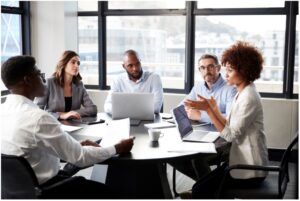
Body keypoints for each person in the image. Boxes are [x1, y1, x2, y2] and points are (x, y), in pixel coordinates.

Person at [1, 55, 135, 199]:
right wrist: (118, 148)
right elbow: (81, 157)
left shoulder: (2, 110)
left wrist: (72, 145)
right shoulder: (38, 118)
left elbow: (30, 147)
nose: (43, 78)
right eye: (39, 74)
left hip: (16, 191)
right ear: (27, 80)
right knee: (113, 194)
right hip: (49, 190)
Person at [185, 41, 269, 198]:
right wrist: (214, 109)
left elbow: (230, 135)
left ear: (244, 71)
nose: (226, 74)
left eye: (230, 70)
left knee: (199, 190)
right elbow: (230, 124)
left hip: (250, 169)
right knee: (200, 186)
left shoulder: (248, 97)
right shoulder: (242, 92)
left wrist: (209, 111)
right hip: (240, 162)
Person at [170, 54, 237, 181]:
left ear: (218, 68)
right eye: (202, 68)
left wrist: (201, 115)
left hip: (225, 139)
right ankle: (206, 187)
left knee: (198, 158)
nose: (207, 71)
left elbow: (230, 119)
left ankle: (207, 190)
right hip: (203, 134)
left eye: (210, 67)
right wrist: (174, 114)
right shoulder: (199, 87)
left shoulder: (230, 89)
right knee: (173, 156)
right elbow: (181, 107)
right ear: (199, 70)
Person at [34, 50, 97, 120]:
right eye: (73, 62)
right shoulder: (49, 82)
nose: (76, 66)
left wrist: (71, 113)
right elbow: (37, 110)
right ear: (64, 64)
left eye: (78, 63)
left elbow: (92, 109)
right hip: (53, 125)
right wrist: (59, 115)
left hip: (75, 126)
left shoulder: (79, 85)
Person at [104, 49, 163, 114]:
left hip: (148, 121)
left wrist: (124, 110)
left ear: (140, 62)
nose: (135, 68)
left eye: (137, 64)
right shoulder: (118, 80)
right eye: (130, 65)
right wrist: (131, 111)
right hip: (124, 120)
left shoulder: (154, 78)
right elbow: (107, 106)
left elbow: (156, 107)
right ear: (124, 66)